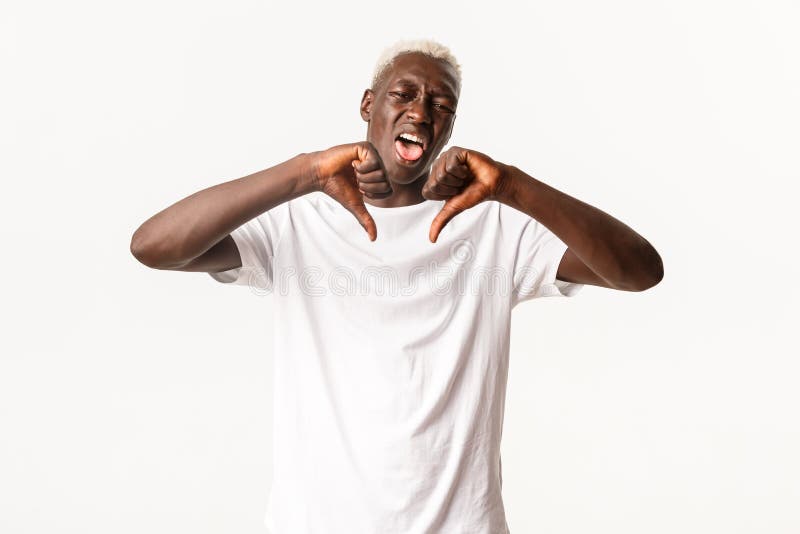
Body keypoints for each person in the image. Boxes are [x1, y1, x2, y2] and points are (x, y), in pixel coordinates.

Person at [131, 39, 663, 534]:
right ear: (368, 105)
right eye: (403, 94)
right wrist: (306, 172)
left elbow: (640, 271)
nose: (420, 111)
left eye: (441, 105)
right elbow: (153, 246)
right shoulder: (299, 222)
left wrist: (510, 185)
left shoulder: (494, 225)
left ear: (449, 130)